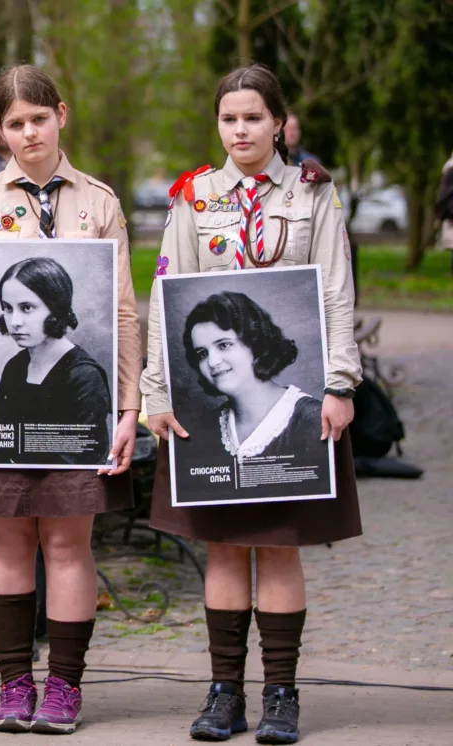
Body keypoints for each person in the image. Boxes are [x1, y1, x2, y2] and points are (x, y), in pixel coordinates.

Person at [142, 64, 361, 744]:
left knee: (280, 548)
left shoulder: (312, 194)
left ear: (278, 124)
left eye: (253, 118)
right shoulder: (193, 198)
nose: (241, 129)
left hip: (302, 405)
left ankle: (281, 694)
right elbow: (164, 293)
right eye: (229, 118)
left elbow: (334, 291)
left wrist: (341, 384)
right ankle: (223, 693)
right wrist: (156, 391)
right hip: (212, 417)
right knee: (226, 552)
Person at [0, 65, 142, 734]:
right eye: (14, 123)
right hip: (1, 423)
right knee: (8, 544)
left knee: (70, 545)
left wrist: (130, 409)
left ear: (61, 116)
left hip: (82, 418)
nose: (28, 133)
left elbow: (126, 314)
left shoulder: (99, 202)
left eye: (38, 119)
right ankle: (14, 684)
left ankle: (66, 688)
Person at [0, 257, 112, 466]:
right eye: (8, 308)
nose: (15, 322)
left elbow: (81, 457)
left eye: (27, 308)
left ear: (56, 307)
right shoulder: (15, 367)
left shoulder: (84, 376)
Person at [181, 291, 322, 464]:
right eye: (202, 354)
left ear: (254, 342)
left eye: (224, 345)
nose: (212, 362)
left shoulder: (312, 418)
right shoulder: (203, 429)